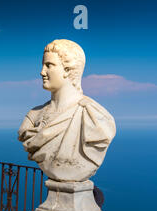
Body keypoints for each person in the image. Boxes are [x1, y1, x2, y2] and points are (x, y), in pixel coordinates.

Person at [18, 39, 116, 182]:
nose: (42, 72)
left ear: (67, 70)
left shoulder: (95, 116)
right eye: (42, 65)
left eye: (48, 65)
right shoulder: (33, 115)